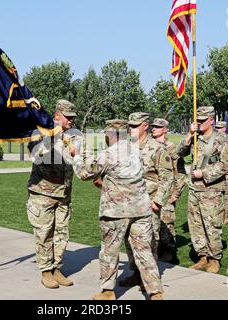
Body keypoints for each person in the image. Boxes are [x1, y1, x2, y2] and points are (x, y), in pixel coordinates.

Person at [70, 119, 163, 300]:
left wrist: (76, 155)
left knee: (109, 252)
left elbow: (84, 173)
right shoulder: (136, 150)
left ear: (109, 134)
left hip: (116, 211)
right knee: (144, 252)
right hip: (141, 210)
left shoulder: (109, 154)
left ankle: (107, 292)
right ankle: (155, 292)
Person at [26, 99, 81, 289]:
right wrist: (53, 138)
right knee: (44, 234)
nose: (72, 121)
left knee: (61, 234)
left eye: (74, 118)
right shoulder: (40, 132)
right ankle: (45, 271)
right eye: (68, 117)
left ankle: (57, 267)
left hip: (64, 194)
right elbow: (36, 155)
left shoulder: (75, 136)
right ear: (57, 116)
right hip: (43, 193)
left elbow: (82, 158)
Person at [118, 112, 174, 289]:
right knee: (129, 240)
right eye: (130, 126)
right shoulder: (126, 147)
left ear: (145, 126)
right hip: (128, 202)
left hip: (148, 202)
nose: (131, 129)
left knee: (149, 240)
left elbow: (167, 177)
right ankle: (136, 273)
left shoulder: (157, 148)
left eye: (134, 126)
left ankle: (149, 278)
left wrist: (158, 201)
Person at [177, 106, 228, 274]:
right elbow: (179, 152)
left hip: (212, 190)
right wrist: (189, 134)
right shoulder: (195, 137)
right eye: (197, 121)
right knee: (196, 225)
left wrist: (205, 173)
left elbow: (226, 164)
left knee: (212, 225)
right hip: (195, 189)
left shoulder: (223, 139)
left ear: (211, 120)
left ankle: (215, 258)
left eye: (202, 121)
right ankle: (202, 256)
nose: (199, 124)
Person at [151, 118, 187, 261]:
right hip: (152, 190)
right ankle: (155, 248)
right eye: (153, 126)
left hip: (167, 190)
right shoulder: (150, 145)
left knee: (166, 222)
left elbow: (179, 171)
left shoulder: (171, 147)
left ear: (165, 129)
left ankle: (168, 249)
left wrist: (176, 193)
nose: (154, 129)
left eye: (158, 127)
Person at [215, 121, 228, 224]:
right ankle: (217, 214)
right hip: (217, 171)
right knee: (216, 194)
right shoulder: (214, 140)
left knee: (227, 195)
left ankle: (226, 215)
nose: (218, 130)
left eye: (220, 128)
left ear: (224, 128)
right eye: (217, 128)